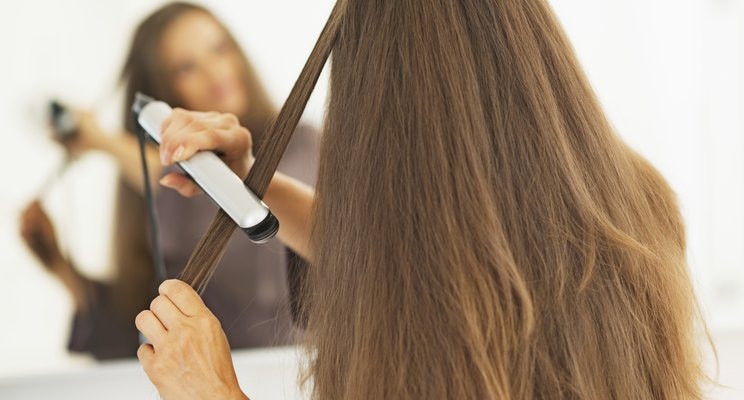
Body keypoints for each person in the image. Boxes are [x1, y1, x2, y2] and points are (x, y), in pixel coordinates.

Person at [133, 0, 706, 399]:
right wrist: (255, 181)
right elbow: (412, 259)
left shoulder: (439, 340)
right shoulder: (637, 202)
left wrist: (213, 392)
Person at [19, 2, 317, 359]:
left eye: (219, 48)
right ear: (163, 92)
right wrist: (61, 268)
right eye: (186, 67)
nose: (214, 72)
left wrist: (102, 141)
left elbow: (232, 202)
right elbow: (139, 331)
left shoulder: (304, 145)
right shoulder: (160, 195)